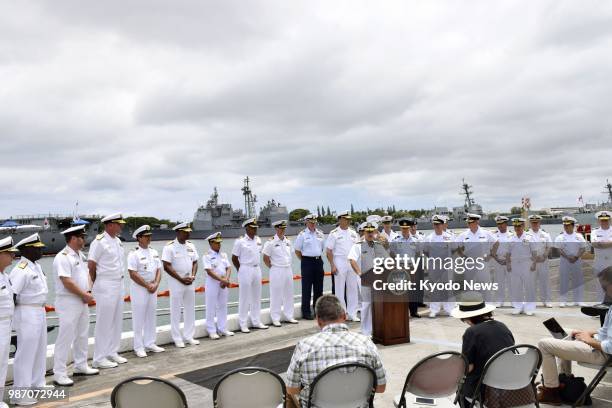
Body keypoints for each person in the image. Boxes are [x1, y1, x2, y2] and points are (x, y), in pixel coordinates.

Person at [286, 294, 386, 408]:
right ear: (344, 316)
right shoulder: (366, 343)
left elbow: (292, 389)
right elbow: (380, 387)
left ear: (318, 320)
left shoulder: (304, 346)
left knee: (288, 392)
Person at [537, 265, 612, 404]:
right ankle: (563, 379)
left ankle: (551, 391)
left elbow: (610, 347)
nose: (603, 291)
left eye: (604, 287)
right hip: (601, 346)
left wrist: (588, 340)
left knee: (544, 344)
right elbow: (608, 331)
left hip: (604, 354)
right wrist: (590, 333)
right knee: (567, 333)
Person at [52, 225, 99, 387]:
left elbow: (86, 275)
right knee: (65, 337)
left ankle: (81, 365)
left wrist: (89, 290)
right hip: (68, 301)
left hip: (81, 299)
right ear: (73, 239)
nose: (83, 240)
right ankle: (59, 373)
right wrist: (84, 294)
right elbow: (66, 281)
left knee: (82, 334)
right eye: (81, 237)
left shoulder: (80, 256)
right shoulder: (63, 257)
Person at [452, 292, 514, 403]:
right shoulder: (502, 326)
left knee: (460, 385)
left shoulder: (472, 332)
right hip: (511, 381)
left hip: (486, 388)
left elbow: (468, 367)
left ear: (468, 318)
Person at [10, 233, 49, 406]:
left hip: (39, 311)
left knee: (40, 349)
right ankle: (20, 393)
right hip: (26, 312)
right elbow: (12, 295)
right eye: (37, 248)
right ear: (27, 250)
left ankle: (37, 383)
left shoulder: (36, 266)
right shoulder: (21, 269)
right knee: (25, 353)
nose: (41, 250)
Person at [88, 212, 127, 369]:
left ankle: (112, 351)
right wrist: (95, 286)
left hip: (119, 283)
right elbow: (91, 266)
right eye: (119, 224)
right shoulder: (99, 242)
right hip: (106, 284)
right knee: (104, 322)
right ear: (110, 225)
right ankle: (99, 358)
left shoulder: (117, 241)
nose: (121, 226)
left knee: (116, 320)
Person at [127, 225, 164, 357]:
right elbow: (132, 273)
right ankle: (138, 347)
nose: (149, 238)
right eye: (146, 236)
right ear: (139, 238)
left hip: (153, 288)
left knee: (151, 316)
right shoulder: (134, 254)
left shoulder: (154, 252)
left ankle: (150, 343)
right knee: (139, 318)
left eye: (150, 236)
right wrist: (147, 285)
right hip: (139, 289)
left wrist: (156, 284)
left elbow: (159, 269)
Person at [161, 222, 200, 347]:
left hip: (189, 280)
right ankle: (177, 338)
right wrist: (180, 279)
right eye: (185, 232)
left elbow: (195, 262)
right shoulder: (169, 247)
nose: (188, 233)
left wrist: (193, 276)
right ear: (178, 232)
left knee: (190, 309)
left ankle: (189, 336)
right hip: (176, 281)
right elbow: (166, 266)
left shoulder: (191, 246)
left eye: (188, 231)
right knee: (176, 310)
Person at [348, 221, 389, 335]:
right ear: (364, 232)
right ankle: (365, 331)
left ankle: (377, 328)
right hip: (365, 278)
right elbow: (352, 260)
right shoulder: (358, 245)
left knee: (378, 303)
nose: (370, 234)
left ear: (375, 232)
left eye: (372, 231)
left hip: (379, 277)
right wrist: (360, 273)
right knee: (366, 304)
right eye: (368, 232)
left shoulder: (378, 245)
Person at [232, 218, 268, 332]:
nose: (255, 230)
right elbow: (234, 258)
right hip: (245, 269)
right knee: (244, 297)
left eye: (256, 228)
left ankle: (256, 321)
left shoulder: (258, 240)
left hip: (257, 269)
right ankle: (243, 324)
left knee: (256, 297)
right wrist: (240, 269)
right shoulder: (240, 241)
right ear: (247, 228)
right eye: (253, 228)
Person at [325, 211, 360, 321]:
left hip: (351, 262)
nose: (348, 221)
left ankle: (352, 313)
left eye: (349, 219)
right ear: (340, 219)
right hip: (339, 261)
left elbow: (358, 249)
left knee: (353, 288)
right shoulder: (334, 233)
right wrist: (332, 265)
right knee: (339, 289)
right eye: (346, 219)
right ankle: (341, 313)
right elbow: (329, 251)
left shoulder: (354, 233)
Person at [455, 213, 498, 302]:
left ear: (477, 222)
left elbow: (496, 243)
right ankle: (472, 308)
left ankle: (488, 308)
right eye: (468, 223)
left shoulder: (486, 233)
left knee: (485, 286)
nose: (470, 224)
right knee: (470, 287)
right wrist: (463, 256)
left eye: (472, 222)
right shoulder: (464, 235)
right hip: (470, 263)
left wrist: (491, 255)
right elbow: (456, 246)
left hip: (482, 262)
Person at [263, 220, 298, 327]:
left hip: (288, 269)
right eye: (280, 228)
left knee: (289, 293)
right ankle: (275, 318)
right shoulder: (270, 242)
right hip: (276, 269)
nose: (282, 230)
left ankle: (289, 316)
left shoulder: (288, 241)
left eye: (284, 228)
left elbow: (290, 254)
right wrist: (272, 267)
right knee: (276, 294)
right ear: (276, 229)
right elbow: (265, 258)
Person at [422, 215, 456, 317]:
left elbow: (454, 250)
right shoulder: (429, 238)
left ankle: (448, 309)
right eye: (435, 224)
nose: (437, 226)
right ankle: (434, 309)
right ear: (433, 225)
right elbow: (426, 251)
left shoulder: (450, 237)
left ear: (442, 225)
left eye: (439, 224)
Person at [202, 232, 234, 339]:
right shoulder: (207, 256)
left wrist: (226, 279)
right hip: (212, 282)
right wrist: (222, 280)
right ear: (211, 243)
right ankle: (211, 330)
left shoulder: (223, 255)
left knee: (222, 306)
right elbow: (209, 271)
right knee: (211, 306)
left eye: (220, 243)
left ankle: (222, 328)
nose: (219, 245)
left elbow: (229, 268)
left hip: (223, 282)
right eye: (217, 243)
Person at [294, 214, 325, 320]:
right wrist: (305, 260)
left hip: (318, 261)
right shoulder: (302, 235)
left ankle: (317, 311)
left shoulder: (320, 234)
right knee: (306, 288)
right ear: (306, 222)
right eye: (310, 222)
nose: (313, 224)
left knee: (319, 288)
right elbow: (297, 251)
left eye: (314, 222)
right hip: (307, 262)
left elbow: (321, 249)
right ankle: (306, 312)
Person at [391, 218, 423, 318]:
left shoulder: (415, 240)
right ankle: (402, 312)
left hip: (412, 267)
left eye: (406, 228)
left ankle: (414, 312)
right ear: (401, 228)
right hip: (400, 267)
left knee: (413, 290)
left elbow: (418, 254)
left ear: (409, 228)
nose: (405, 230)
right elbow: (392, 254)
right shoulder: (396, 240)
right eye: (403, 228)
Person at [554, 216, 587, 307]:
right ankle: (563, 300)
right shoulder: (560, 237)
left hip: (577, 261)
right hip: (564, 261)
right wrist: (567, 257)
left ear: (573, 226)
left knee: (578, 280)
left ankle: (578, 300)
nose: (566, 227)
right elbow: (558, 249)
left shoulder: (579, 236)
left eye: (568, 225)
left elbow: (583, 248)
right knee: (564, 280)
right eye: (565, 225)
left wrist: (576, 257)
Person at [0, 237, 18, 408]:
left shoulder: (5, 276)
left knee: (3, 362)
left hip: (6, 325)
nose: (13, 256)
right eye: (9, 253)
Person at [507, 218, 537, 316]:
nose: (517, 228)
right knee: (516, 286)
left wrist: (534, 263)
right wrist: (508, 264)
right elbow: (508, 253)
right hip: (515, 264)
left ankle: (529, 307)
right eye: (515, 226)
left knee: (529, 286)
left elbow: (534, 252)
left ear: (523, 226)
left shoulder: (529, 237)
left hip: (527, 263)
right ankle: (518, 306)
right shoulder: (511, 238)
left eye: (519, 226)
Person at [527, 214, 553, 308]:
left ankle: (546, 301)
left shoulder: (545, 234)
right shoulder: (526, 235)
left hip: (543, 261)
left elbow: (549, 246)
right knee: (530, 282)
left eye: (536, 222)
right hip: (530, 262)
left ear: (539, 223)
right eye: (533, 222)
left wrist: (544, 256)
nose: (535, 224)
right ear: (530, 223)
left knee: (544, 282)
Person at [490, 215, 511, 307]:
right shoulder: (493, 235)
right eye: (498, 224)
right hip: (497, 261)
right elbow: (490, 249)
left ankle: (514, 301)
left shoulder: (512, 235)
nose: (500, 226)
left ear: (506, 224)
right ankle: (500, 300)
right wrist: (497, 259)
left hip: (510, 261)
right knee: (499, 282)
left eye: (502, 224)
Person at [591, 211, 612, 303]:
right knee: (599, 287)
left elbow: (598, 244)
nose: (604, 222)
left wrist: (601, 244)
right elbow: (594, 244)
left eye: (606, 220)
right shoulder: (594, 231)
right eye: (602, 220)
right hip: (599, 263)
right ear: (599, 221)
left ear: (610, 220)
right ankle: (600, 308)